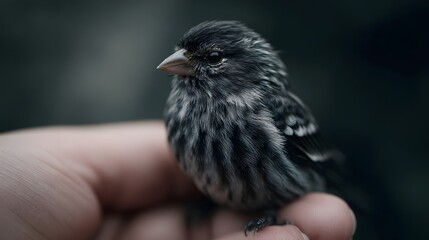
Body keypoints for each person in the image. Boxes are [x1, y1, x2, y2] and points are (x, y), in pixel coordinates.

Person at [0, 121, 356, 240]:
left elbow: (318, 162)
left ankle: (275, 215)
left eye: (212, 59)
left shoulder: (273, 113)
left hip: (291, 194)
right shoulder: (180, 114)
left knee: (318, 217)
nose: (179, 63)